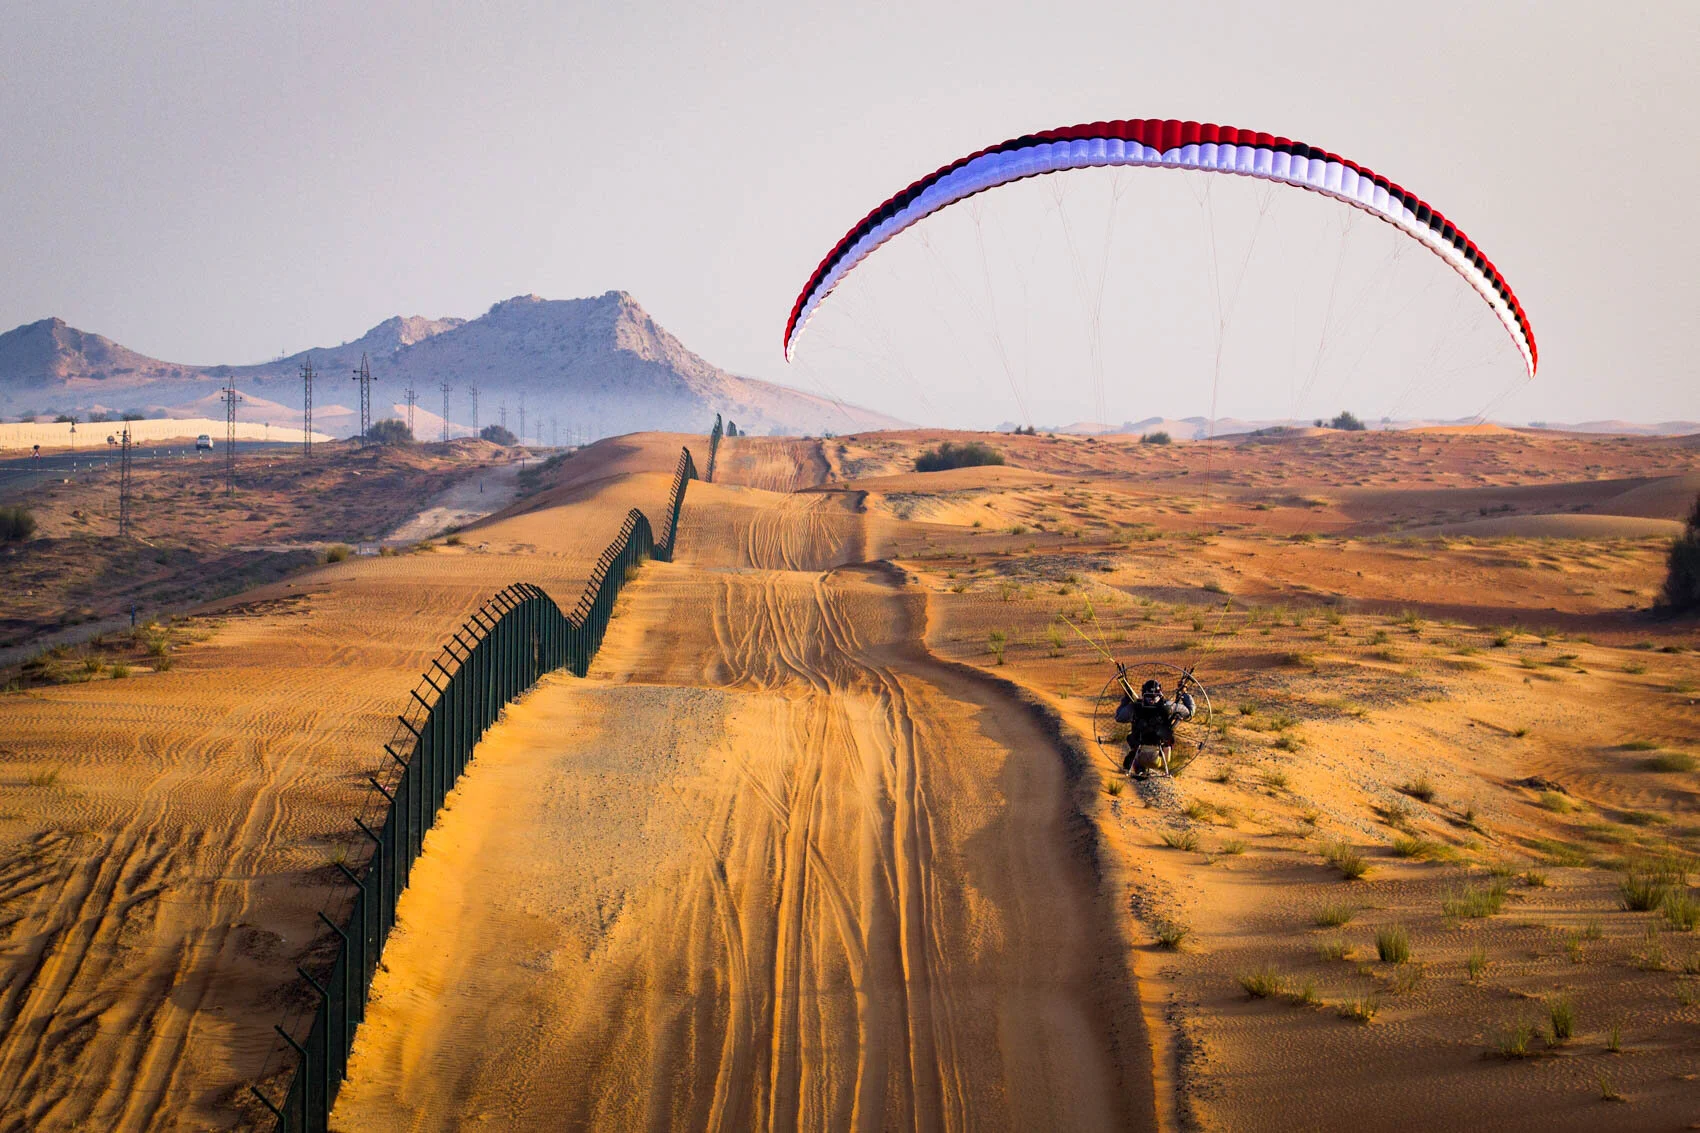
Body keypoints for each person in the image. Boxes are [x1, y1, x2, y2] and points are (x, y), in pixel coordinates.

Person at [1115, 676, 1195, 779]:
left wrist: (1126, 699)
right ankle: (1145, 766)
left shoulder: (1136, 707)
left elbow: (1119, 717)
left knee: (1132, 737)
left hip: (1140, 747)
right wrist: (1184, 694)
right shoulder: (1169, 706)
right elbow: (1190, 712)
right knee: (1167, 736)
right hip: (1161, 753)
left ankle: (1138, 766)